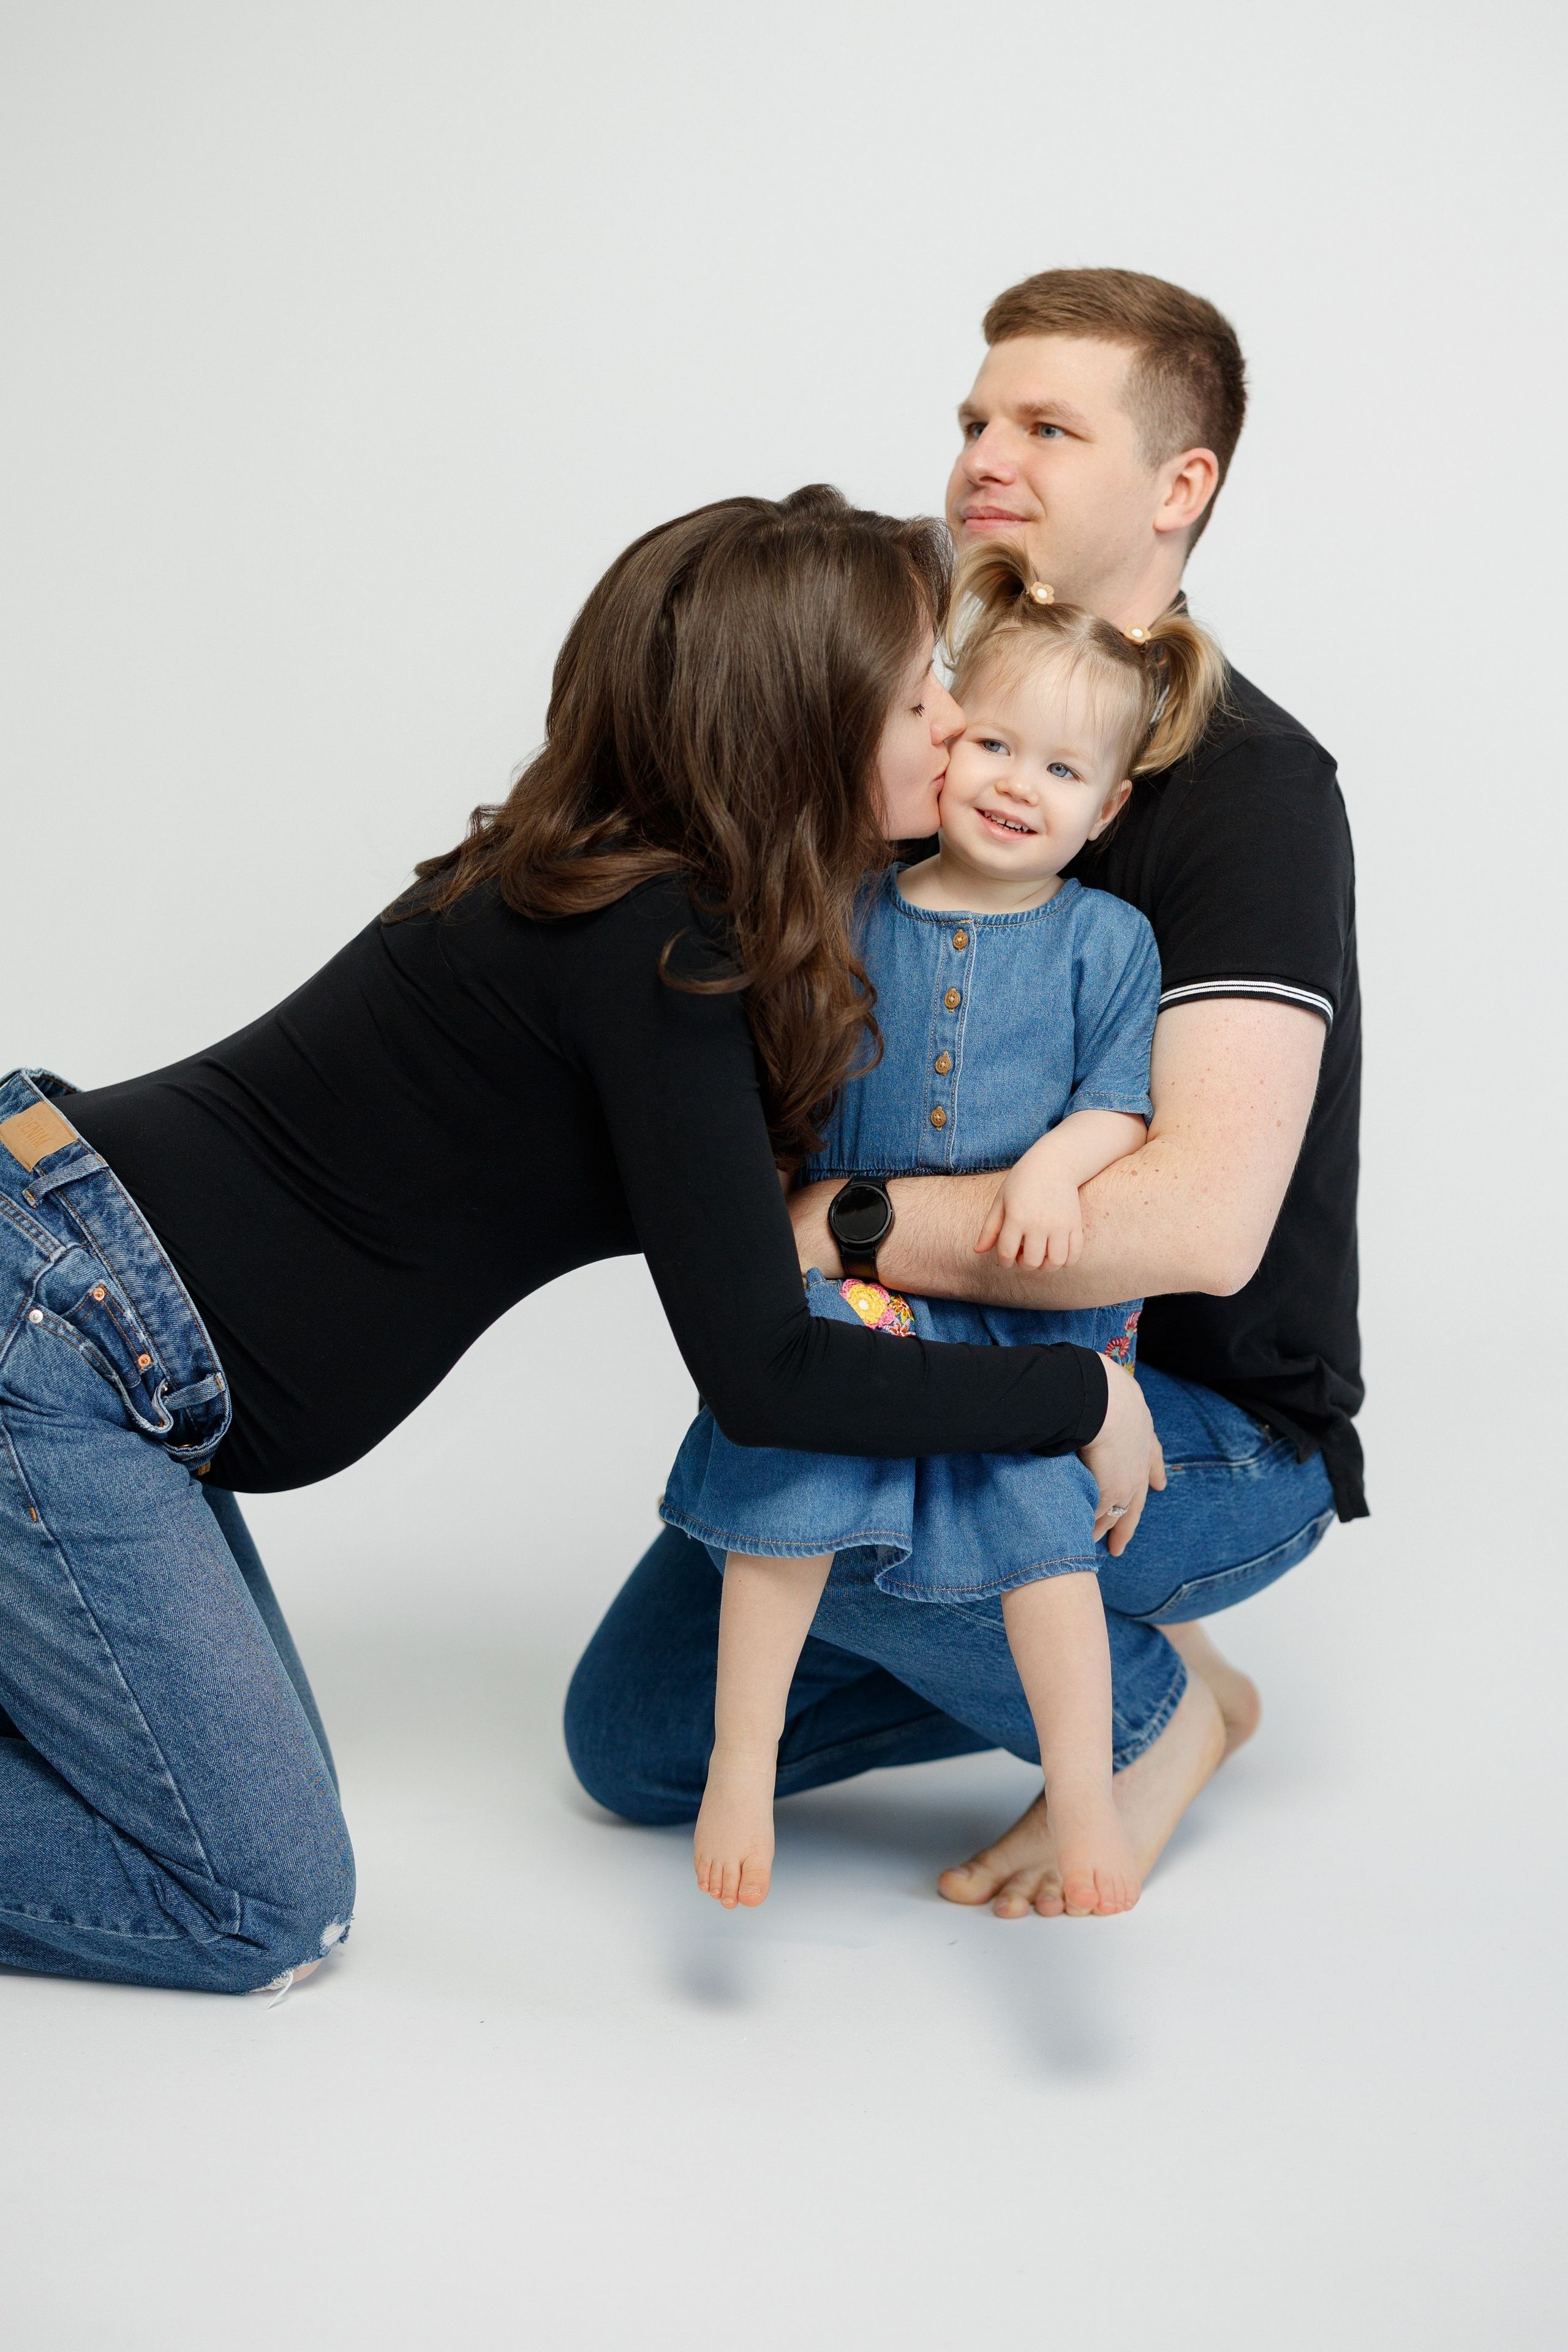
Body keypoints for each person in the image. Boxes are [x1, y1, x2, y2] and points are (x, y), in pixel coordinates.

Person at [0, 487, 1163, 1994]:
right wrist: (1078, 1398)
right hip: (61, 1336)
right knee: (259, 1904)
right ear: (798, 726)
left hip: (70, 1284)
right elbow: (766, 1376)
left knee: (212, 1814)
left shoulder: (616, 882)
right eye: (917, 694)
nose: (954, 724)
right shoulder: (658, 944)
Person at [565, 270, 1364, 1914]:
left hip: (1196, 1415)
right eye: (975, 420)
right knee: (633, 1739)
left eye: (1048, 427)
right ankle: (1044, 1626)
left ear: (1178, 485)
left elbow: (1201, 1223)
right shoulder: (922, 723)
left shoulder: (1255, 798)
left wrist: (825, 1224)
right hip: (911, 1340)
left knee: (869, 1508)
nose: (985, 455)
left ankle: (1161, 1717)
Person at [666, 544, 1227, 1918]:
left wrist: (1051, 1170)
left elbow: (1120, 1100)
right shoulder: (855, 906)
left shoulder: (1108, 940)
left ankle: (1090, 1790)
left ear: (1103, 809)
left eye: (1059, 771)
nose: (1013, 785)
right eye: (990, 743)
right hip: (864, 1296)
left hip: (1019, 1308)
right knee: (786, 1494)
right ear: (940, 737)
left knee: (1037, 1532)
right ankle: (742, 1756)